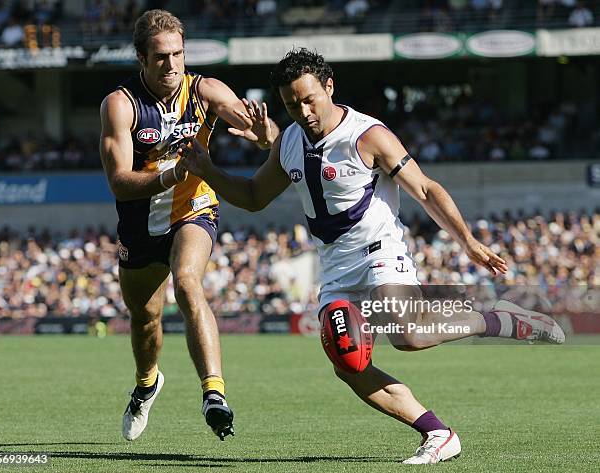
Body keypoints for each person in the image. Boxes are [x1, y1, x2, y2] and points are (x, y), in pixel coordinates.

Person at [178, 48, 565, 463]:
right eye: (292, 104)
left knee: (408, 335)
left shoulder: (367, 136)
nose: (303, 111)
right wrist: (209, 171)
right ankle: (437, 433)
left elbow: (426, 190)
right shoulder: (289, 140)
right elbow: (254, 197)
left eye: (310, 99)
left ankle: (498, 319)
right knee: (348, 364)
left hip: (379, 251)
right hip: (335, 271)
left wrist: (467, 241)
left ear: (329, 87)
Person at [99, 9, 277, 442]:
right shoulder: (120, 105)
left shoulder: (206, 90)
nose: (172, 65)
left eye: (178, 54)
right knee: (144, 320)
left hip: (192, 208)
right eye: (161, 57)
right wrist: (169, 175)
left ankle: (213, 392)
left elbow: (267, 135)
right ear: (141, 57)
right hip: (140, 224)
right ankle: (146, 384)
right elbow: (120, 183)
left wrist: (263, 131)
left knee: (188, 281)